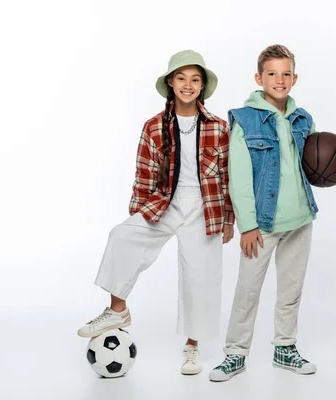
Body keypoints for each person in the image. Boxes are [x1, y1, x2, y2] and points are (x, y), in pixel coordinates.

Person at [77, 50, 235, 375]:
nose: (187, 85)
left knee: (200, 276)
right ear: (170, 83)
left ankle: (192, 347)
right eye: (181, 78)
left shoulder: (219, 127)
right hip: (165, 201)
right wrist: (138, 214)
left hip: (206, 205)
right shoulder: (153, 127)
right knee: (122, 236)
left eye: (194, 79)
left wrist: (229, 220)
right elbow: (143, 174)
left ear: (202, 86)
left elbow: (227, 175)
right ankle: (117, 309)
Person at [209, 44, 336, 382]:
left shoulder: (303, 118)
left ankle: (284, 348)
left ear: (295, 78)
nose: (279, 79)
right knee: (248, 290)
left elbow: (316, 164)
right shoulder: (244, 119)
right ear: (259, 78)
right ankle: (235, 353)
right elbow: (239, 177)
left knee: (291, 290)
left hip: (300, 218)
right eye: (272, 73)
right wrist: (247, 225)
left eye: (286, 73)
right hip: (261, 224)